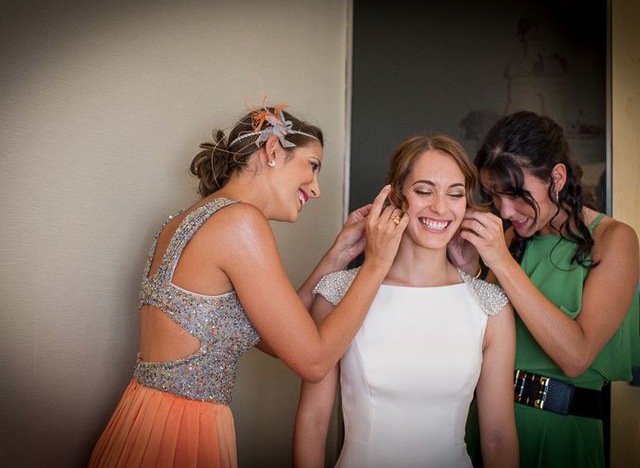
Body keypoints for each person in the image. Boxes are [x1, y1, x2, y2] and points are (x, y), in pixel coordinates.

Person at [88, 104, 409, 468]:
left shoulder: (183, 221)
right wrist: (377, 264)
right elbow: (315, 361)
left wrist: (337, 255)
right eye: (313, 165)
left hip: (141, 418)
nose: (317, 189)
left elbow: (276, 339)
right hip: (183, 432)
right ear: (272, 151)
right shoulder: (241, 222)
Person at [293, 133, 518, 468]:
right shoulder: (338, 293)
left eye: (455, 194)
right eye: (424, 191)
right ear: (396, 196)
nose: (440, 207)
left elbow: (499, 434)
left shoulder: (490, 306)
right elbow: (313, 422)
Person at [457, 111, 640, 468]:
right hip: (488, 424)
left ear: (557, 177)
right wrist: (467, 272)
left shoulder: (615, 239)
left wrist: (502, 263)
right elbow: (476, 339)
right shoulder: (512, 239)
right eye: (496, 196)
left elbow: (576, 356)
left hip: (561, 435)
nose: (506, 211)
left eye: (516, 195)